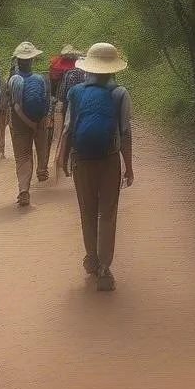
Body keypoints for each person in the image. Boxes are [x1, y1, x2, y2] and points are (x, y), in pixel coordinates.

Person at [58, 42, 134, 292]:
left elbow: (68, 127)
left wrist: (62, 156)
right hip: (109, 159)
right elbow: (125, 133)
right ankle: (105, 269)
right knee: (107, 213)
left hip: (81, 159)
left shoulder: (76, 92)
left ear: (88, 67)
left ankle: (91, 258)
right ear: (113, 69)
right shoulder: (120, 93)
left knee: (87, 211)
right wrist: (129, 165)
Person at [6, 42, 51, 206]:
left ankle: (24, 190)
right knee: (41, 144)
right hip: (39, 120)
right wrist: (39, 123)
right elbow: (46, 103)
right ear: (32, 60)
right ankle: (42, 168)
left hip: (18, 124)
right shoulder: (40, 79)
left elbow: (10, 105)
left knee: (23, 157)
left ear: (17, 61)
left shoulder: (12, 80)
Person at [37, 44, 79, 181]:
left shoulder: (55, 65)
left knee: (50, 137)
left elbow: (58, 95)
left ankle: (44, 167)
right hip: (76, 109)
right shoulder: (82, 70)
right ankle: (70, 166)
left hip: (59, 108)